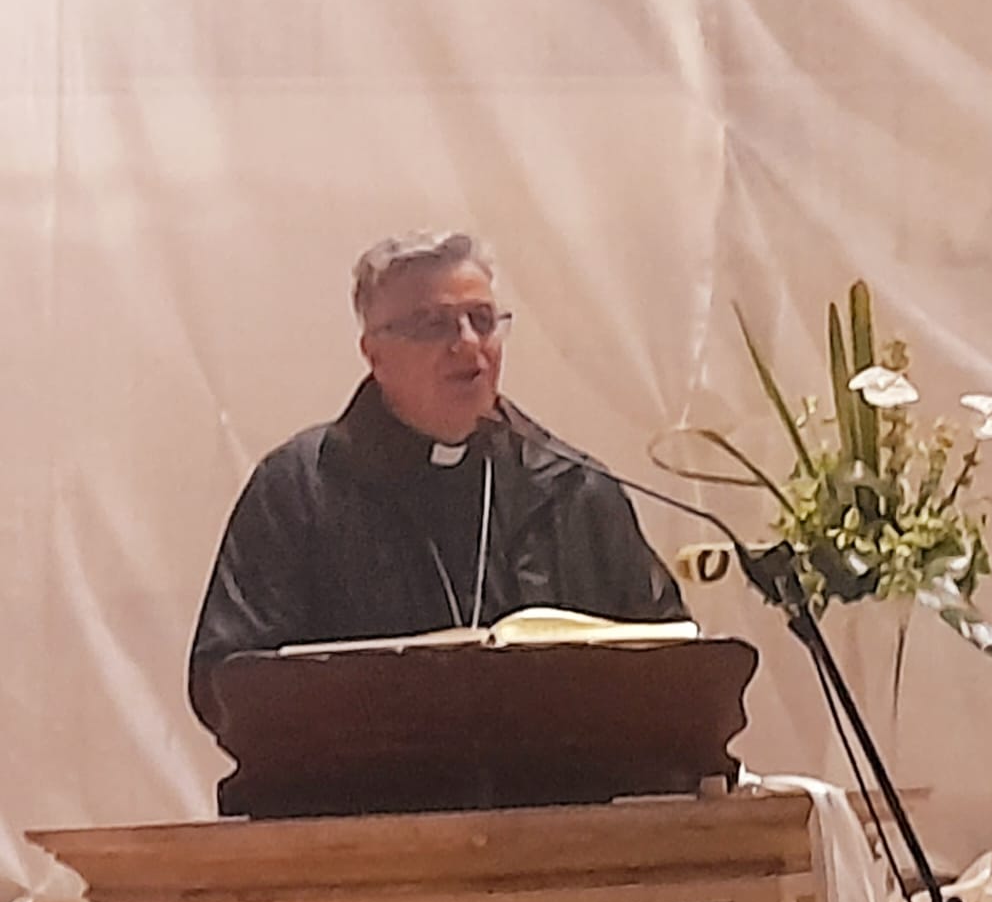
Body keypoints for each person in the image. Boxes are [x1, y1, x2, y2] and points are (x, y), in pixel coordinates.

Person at [188, 230, 691, 731]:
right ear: (375, 355)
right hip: (370, 778)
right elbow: (226, 681)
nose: (468, 342)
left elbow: (672, 663)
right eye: (434, 325)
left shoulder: (572, 489)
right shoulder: (300, 490)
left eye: (482, 319)